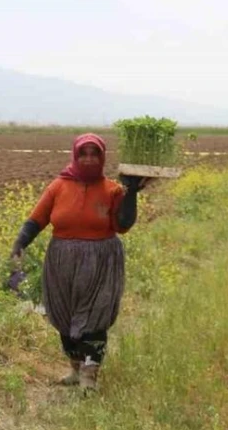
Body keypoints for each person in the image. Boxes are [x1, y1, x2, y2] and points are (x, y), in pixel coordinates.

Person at [10, 132, 146, 392]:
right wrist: (19, 244)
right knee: (64, 316)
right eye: (83, 153)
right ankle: (75, 368)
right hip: (63, 262)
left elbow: (124, 225)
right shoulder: (58, 186)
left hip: (101, 262)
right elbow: (37, 219)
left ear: (102, 157)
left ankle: (89, 375)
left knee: (96, 317)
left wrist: (131, 194)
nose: (89, 158)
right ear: (75, 155)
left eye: (95, 153)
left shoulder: (112, 190)